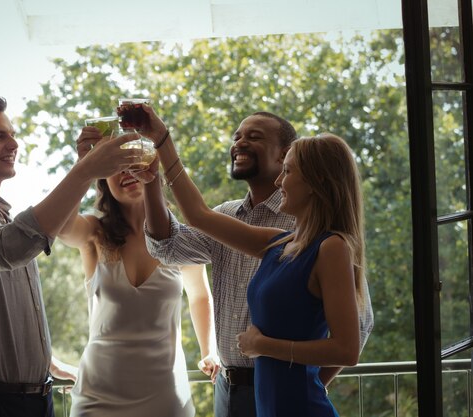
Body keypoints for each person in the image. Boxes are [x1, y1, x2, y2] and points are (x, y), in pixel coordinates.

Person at [141, 110, 374, 417]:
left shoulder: (332, 247)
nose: (280, 181)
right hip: (255, 398)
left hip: (298, 404)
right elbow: (196, 216)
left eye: (288, 172)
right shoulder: (278, 242)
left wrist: (266, 347)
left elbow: (348, 347)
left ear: (316, 183)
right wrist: (161, 141)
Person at [0, 95, 142, 417]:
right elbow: (7, 249)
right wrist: (84, 172)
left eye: (12, 134)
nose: (13, 143)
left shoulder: (3, 220)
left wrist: (47, 363)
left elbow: (5, 316)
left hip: (37, 400)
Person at [58, 126, 219, 417]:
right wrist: (82, 167)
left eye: (135, 163)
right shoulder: (95, 232)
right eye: (117, 166)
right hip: (97, 396)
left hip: (165, 396)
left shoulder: (179, 238)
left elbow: (199, 297)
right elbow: (62, 228)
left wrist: (209, 349)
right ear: (104, 181)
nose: (128, 171)